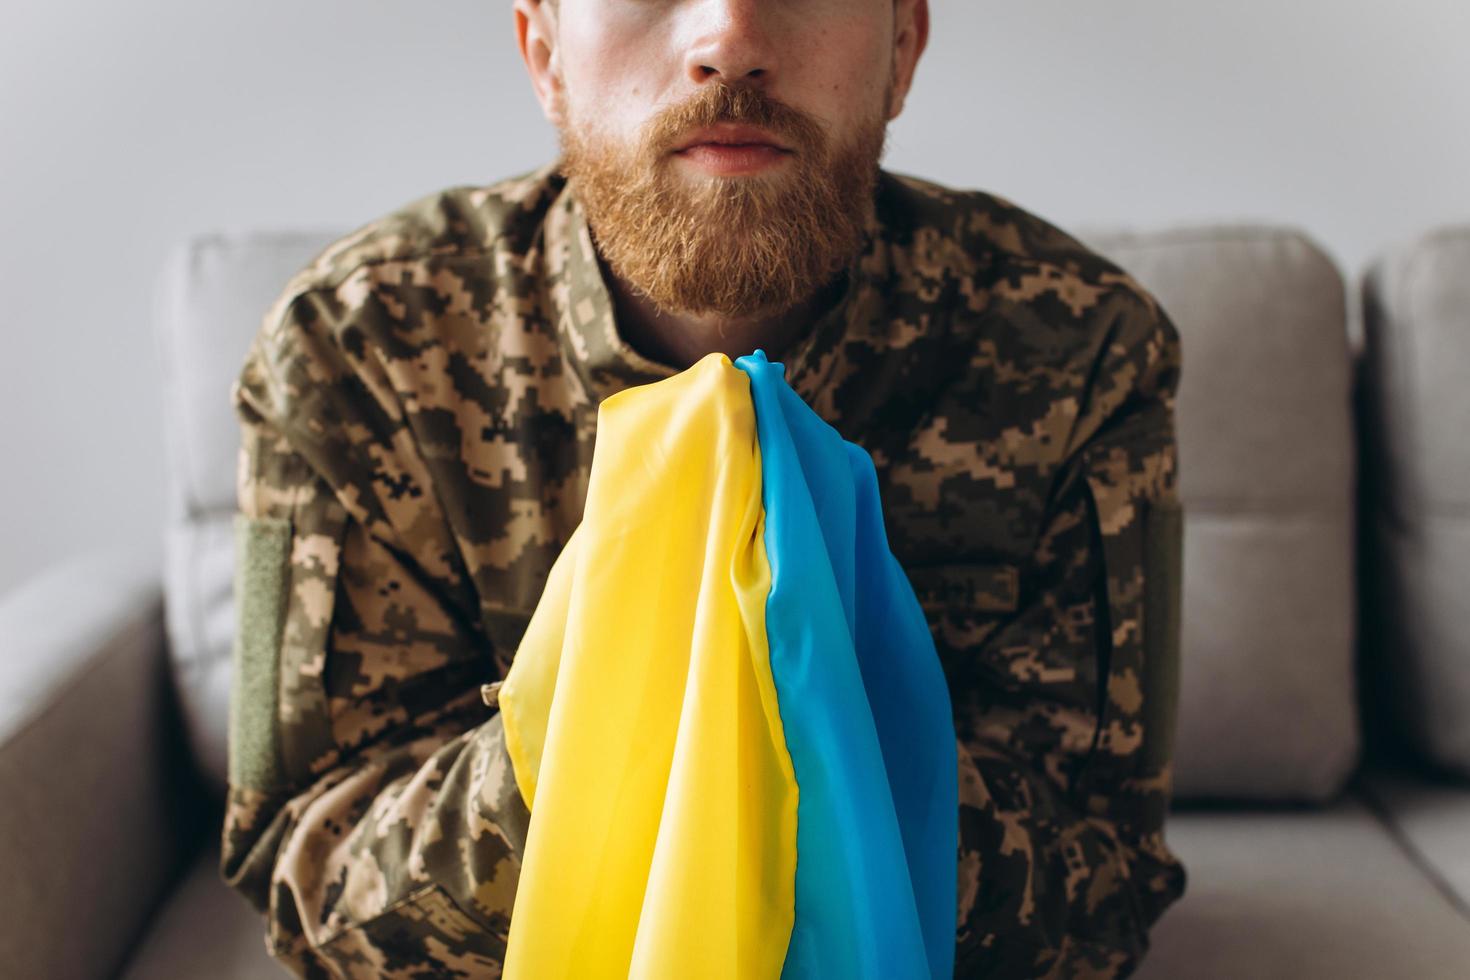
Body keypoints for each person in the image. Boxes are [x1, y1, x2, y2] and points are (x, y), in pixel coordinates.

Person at [219, 0, 1188, 976]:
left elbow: (1105, 888)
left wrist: (848, 753)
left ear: (903, 45)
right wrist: (579, 743)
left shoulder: (1077, 350)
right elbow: (308, 872)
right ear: (545, 51)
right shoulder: (361, 353)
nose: (729, 37)